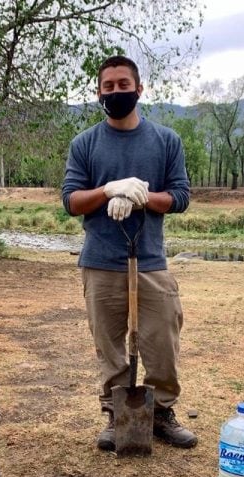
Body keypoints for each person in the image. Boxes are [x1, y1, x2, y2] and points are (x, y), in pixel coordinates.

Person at [61, 54, 197, 451]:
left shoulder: (166, 140)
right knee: (109, 345)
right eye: (109, 86)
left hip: (151, 259)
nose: (117, 92)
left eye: (124, 85)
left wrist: (142, 197)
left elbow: (181, 197)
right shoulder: (84, 143)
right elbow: (70, 201)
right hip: (100, 261)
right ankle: (116, 413)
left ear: (139, 89)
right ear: (99, 93)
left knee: (162, 342)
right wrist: (108, 190)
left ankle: (160, 413)